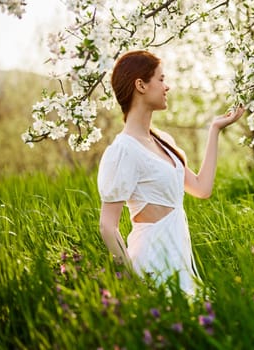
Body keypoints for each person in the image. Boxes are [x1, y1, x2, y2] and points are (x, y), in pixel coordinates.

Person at [97, 50, 244, 296]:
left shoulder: (163, 141)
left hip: (180, 263)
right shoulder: (123, 150)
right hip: (151, 262)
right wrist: (133, 280)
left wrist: (215, 130)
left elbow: (201, 188)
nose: (168, 87)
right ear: (141, 85)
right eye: (161, 79)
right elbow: (107, 226)